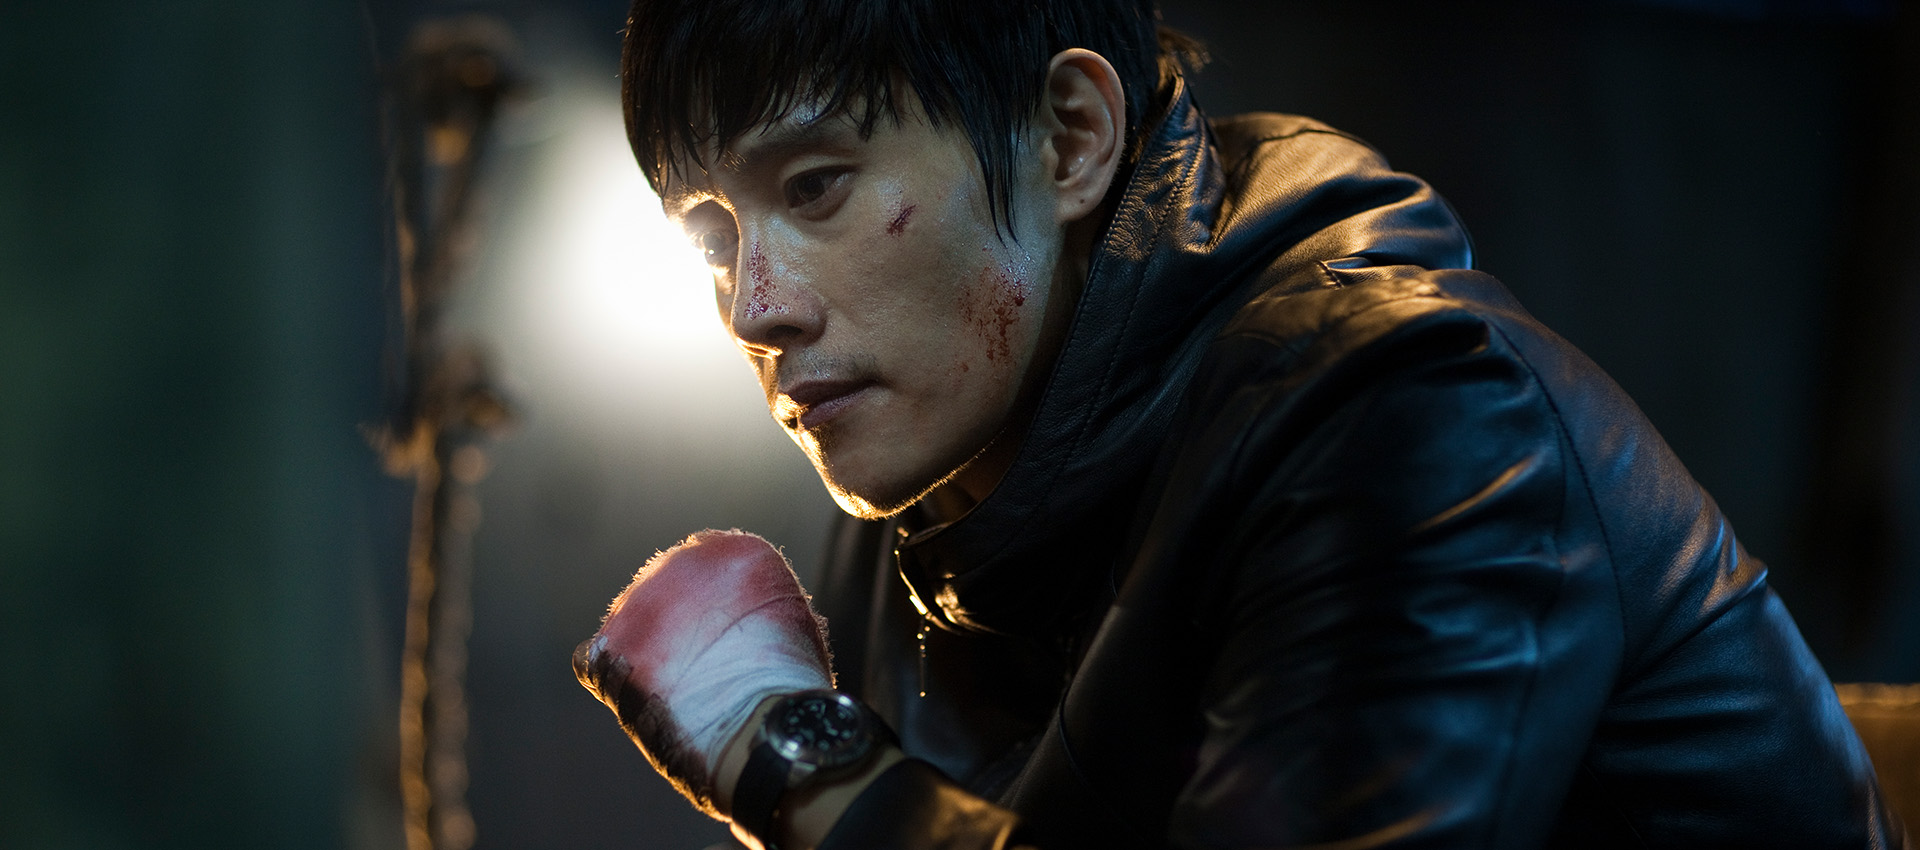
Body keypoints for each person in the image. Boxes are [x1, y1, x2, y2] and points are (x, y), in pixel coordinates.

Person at [572, 1, 1909, 848]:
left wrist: (795, 758)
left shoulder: (1413, 414)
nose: (755, 306)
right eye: (712, 236)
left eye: (815, 185)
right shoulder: (925, 500)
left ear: (1071, 138)